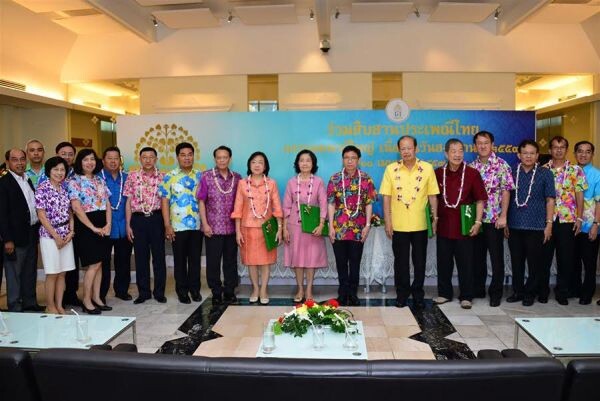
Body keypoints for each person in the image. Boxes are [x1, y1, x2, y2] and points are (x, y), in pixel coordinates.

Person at [379, 136, 439, 308]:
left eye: (409, 148)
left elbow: (433, 196)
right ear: (399, 150)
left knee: (420, 262)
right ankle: (402, 294)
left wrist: (435, 220)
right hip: (398, 225)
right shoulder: (391, 169)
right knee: (401, 262)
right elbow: (386, 198)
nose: (406, 151)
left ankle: (418, 293)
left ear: (416, 149)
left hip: (421, 224)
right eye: (403, 148)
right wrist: (388, 222)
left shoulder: (427, 168)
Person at [434, 139, 487, 309]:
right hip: (443, 226)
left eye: (460, 151)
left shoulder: (472, 173)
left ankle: (466, 295)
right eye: (453, 151)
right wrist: (433, 219)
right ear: (446, 154)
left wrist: (478, 222)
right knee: (443, 262)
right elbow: (433, 198)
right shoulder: (438, 173)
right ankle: (444, 293)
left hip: (465, 226)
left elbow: (480, 200)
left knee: (466, 263)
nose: (457, 154)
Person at [505, 140, 555, 306]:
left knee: (535, 263)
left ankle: (530, 293)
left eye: (532, 153)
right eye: (525, 153)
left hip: (537, 226)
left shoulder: (545, 173)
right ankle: (518, 291)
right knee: (516, 261)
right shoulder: (511, 172)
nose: (528, 156)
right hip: (514, 225)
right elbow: (505, 199)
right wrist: (504, 221)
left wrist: (549, 224)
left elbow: (550, 200)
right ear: (518, 155)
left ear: (537, 155)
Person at [327, 145, 377, 307]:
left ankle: (353, 293)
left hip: (358, 228)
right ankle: (342, 293)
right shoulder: (334, 179)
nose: (350, 161)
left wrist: (368, 225)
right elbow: (331, 204)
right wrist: (331, 226)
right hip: (339, 228)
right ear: (342, 160)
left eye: (353, 158)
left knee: (355, 262)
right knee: (341, 263)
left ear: (358, 160)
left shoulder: (366, 179)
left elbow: (369, 203)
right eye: (347, 158)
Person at [231, 151, 283, 305]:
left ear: (265, 166)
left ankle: (264, 290)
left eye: (260, 162)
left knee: (265, 262)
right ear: (249, 165)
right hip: (248, 228)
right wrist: (238, 231)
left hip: (267, 229)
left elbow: (277, 207)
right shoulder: (242, 184)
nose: (257, 165)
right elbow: (238, 208)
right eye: (253, 162)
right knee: (251, 262)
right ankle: (255, 288)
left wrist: (279, 229)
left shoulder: (271, 183)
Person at [540, 136, 587, 305]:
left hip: (567, 220)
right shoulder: (543, 170)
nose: (558, 150)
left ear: (566, 150)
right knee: (544, 258)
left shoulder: (576, 171)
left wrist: (580, 218)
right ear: (550, 150)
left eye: (562, 147)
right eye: (555, 147)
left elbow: (579, 196)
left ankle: (562, 292)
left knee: (565, 259)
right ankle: (543, 291)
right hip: (547, 221)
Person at [470, 131, 514, 307]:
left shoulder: (502, 165)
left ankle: (496, 293)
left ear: (492, 145)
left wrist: (504, 215)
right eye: (479, 143)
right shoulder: (471, 166)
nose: (482, 146)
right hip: (477, 220)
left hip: (495, 219)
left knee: (496, 258)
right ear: (475, 146)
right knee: (477, 257)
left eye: (486, 143)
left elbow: (506, 191)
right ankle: (478, 289)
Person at [67, 148, 112, 314]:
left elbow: (107, 203)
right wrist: (93, 228)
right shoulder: (74, 181)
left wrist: (108, 224)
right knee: (93, 265)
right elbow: (77, 208)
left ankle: (97, 298)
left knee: (100, 263)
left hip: (102, 223)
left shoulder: (100, 180)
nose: (89, 162)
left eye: (92, 159)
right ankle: (86, 301)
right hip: (86, 225)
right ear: (80, 162)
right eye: (85, 159)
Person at [0, 149, 44, 312]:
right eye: (14, 160)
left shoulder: (27, 180)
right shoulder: (4, 183)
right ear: (7, 163)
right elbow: (2, 215)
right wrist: (8, 239)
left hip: (31, 233)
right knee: (14, 274)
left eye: (22, 159)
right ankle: (15, 306)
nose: (19, 163)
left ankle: (30, 303)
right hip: (15, 237)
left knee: (29, 271)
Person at [160, 142, 204, 304]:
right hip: (177, 226)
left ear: (194, 156)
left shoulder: (200, 176)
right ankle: (182, 291)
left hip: (197, 225)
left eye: (190, 154)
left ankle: (195, 289)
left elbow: (204, 201)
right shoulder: (169, 176)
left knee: (195, 260)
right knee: (179, 261)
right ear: (177, 157)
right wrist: (167, 225)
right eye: (183, 155)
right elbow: (164, 201)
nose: (187, 158)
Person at [198, 145, 241, 305]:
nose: (222, 160)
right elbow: (201, 201)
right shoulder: (206, 176)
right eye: (219, 157)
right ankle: (216, 291)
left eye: (225, 157)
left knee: (231, 261)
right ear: (215, 159)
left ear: (230, 159)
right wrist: (205, 224)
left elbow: (240, 203)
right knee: (213, 261)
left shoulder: (237, 178)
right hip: (213, 228)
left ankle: (230, 291)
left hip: (231, 228)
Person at [282, 149, 328, 303]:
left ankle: (309, 289)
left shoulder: (319, 182)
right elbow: (286, 207)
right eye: (302, 160)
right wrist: (284, 228)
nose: (305, 163)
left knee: (311, 259)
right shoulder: (291, 182)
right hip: (294, 226)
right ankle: (300, 288)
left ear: (313, 163)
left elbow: (323, 204)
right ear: (297, 163)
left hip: (313, 227)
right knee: (298, 259)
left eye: (308, 160)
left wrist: (321, 224)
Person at [124, 147, 166, 304]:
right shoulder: (132, 176)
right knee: (141, 257)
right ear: (140, 159)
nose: (148, 160)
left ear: (156, 159)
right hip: (138, 220)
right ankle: (144, 292)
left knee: (159, 257)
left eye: (151, 157)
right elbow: (128, 201)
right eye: (144, 157)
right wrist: (128, 225)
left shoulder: (163, 177)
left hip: (156, 219)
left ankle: (159, 292)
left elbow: (165, 202)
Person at [35, 156, 75, 314]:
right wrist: (56, 236)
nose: (59, 172)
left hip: (66, 235)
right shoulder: (42, 188)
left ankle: (59, 305)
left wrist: (71, 231)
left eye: (62, 169)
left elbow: (70, 211)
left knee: (63, 272)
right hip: (49, 236)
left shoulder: (64, 187)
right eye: (56, 169)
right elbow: (41, 215)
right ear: (49, 171)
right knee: (52, 273)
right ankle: (50, 306)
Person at [100, 146, 133, 302]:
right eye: (109, 158)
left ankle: (121, 290)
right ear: (103, 160)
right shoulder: (97, 178)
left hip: (124, 226)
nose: (113, 161)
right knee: (103, 262)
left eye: (116, 158)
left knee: (124, 260)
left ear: (120, 160)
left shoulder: (128, 178)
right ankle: (101, 293)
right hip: (104, 227)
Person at [572, 141, 600, 305]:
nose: (583, 154)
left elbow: (599, 202)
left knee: (589, 262)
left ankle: (587, 293)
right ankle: (574, 289)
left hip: (590, 225)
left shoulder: (596, 175)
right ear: (575, 154)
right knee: (573, 260)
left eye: (587, 152)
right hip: (572, 224)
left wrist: (596, 224)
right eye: (580, 151)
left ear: (592, 154)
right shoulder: (570, 172)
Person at [56, 141, 80, 306]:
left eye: (70, 154)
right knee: (59, 263)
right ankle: (59, 296)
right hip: (57, 226)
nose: (67, 157)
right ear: (57, 154)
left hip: (77, 222)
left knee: (73, 261)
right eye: (63, 153)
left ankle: (71, 293)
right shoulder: (48, 174)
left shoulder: (77, 174)